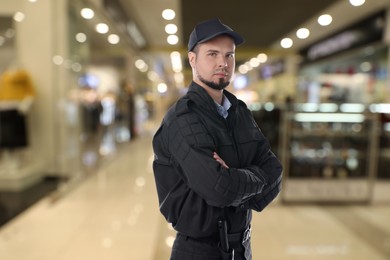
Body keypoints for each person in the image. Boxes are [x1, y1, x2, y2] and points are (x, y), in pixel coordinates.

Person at [152, 18, 283, 260]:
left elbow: (275, 172)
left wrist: (234, 177)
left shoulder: (239, 111)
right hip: (199, 250)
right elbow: (220, 190)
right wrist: (253, 178)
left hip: (241, 248)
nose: (223, 62)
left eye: (229, 55)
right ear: (193, 59)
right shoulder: (183, 119)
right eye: (212, 54)